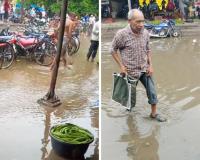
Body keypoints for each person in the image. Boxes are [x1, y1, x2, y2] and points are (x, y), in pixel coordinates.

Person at [110, 9, 166, 122]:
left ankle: (154, 114)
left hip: (145, 69)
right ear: (129, 21)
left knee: (152, 91)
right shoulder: (122, 34)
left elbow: (148, 49)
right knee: (130, 99)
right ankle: (130, 117)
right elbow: (112, 50)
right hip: (130, 71)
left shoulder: (145, 33)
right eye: (138, 22)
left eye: (143, 21)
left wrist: (151, 65)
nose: (141, 25)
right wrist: (121, 66)